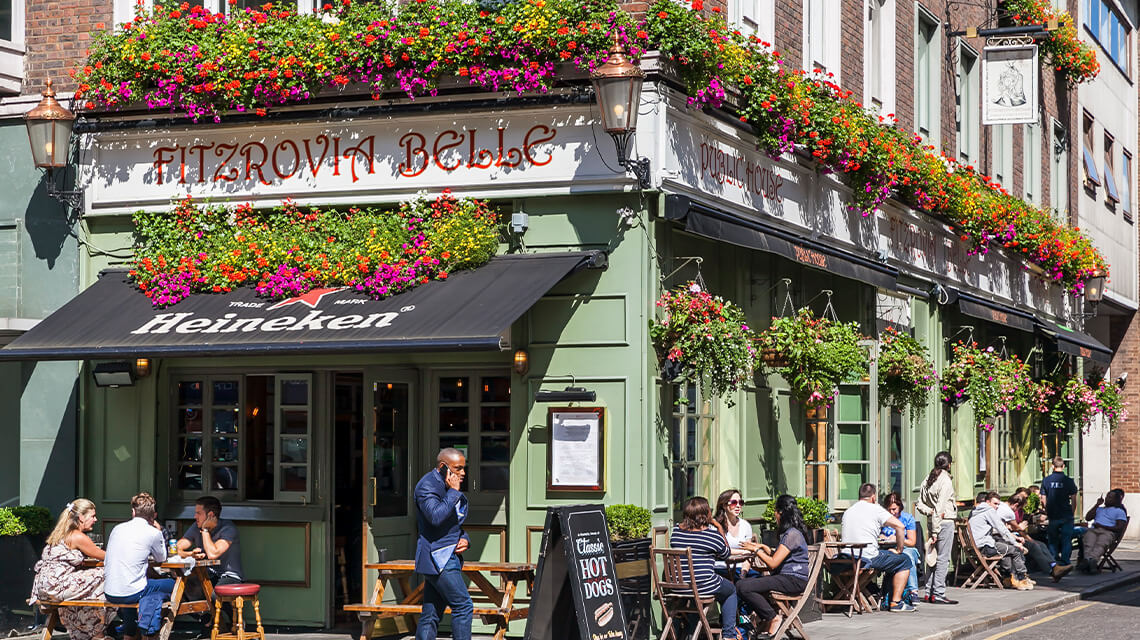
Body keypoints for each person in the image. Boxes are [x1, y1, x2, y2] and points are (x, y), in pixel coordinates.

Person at [28, 499, 108, 640]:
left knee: (87, 591)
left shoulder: (60, 534)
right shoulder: (77, 536)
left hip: (44, 586)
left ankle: (87, 631)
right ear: (81, 517)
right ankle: (94, 631)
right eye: (93, 516)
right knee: (107, 574)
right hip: (57, 586)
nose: (95, 520)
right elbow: (106, 557)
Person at [413, 448, 472, 640]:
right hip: (438, 557)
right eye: (458, 468)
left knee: (431, 614)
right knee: (463, 606)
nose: (462, 473)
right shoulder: (427, 487)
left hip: (447, 555)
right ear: (442, 467)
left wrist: (465, 539)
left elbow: (452, 524)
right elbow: (436, 517)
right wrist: (454, 492)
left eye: (464, 468)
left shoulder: (447, 485)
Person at [736, 495, 811, 639]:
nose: (775, 516)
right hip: (787, 578)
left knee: (743, 586)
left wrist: (756, 551)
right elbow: (780, 555)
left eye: (775, 512)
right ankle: (759, 622)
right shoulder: (791, 533)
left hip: (792, 580)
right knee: (743, 585)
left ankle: (773, 618)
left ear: (781, 513)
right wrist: (762, 547)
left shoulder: (792, 534)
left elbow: (773, 563)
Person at [104, 493, 174, 640]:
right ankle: (148, 630)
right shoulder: (154, 532)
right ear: (153, 516)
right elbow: (162, 558)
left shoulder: (117, 528)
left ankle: (130, 633)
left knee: (139, 589)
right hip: (132, 592)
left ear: (133, 512)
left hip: (110, 591)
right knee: (172, 585)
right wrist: (159, 532)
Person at [670, 497, 742, 639]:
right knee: (731, 590)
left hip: (678, 587)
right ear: (706, 514)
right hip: (703, 586)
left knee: (706, 588)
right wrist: (719, 527)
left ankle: (695, 630)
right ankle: (729, 635)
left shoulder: (676, 533)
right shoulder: (711, 535)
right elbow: (726, 554)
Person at [840, 483, 914, 612]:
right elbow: (900, 527)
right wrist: (899, 550)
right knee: (904, 560)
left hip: (846, 558)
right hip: (866, 558)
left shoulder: (848, 511)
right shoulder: (875, 509)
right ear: (873, 497)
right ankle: (896, 603)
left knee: (889, 557)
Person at [915, 451, 958, 605]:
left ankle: (929, 592)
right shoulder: (945, 480)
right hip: (943, 522)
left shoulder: (928, 478)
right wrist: (935, 530)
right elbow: (940, 508)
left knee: (932, 558)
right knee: (942, 559)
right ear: (949, 464)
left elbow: (919, 504)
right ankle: (939, 593)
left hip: (932, 521)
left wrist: (929, 513)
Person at [995, 493, 1070, 581]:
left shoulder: (1002, 506)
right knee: (1034, 546)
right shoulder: (1008, 511)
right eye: (1019, 508)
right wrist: (1024, 531)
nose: (1018, 511)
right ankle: (1051, 571)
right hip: (1003, 538)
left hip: (1006, 535)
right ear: (1016, 505)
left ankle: (1054, 566)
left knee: (1041, 544)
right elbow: (1018, 529)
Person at [968, 492, 1032, 590]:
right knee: (1016, 550)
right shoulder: (989, 511)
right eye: (995, 503)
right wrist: (1016, 543)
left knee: (1005, 547)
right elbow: (1002, 529)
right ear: (988, 502)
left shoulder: (976, 511)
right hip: (985, 547)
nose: (997, 507)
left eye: (998, 504)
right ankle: (1021, 579)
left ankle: (1007, 578)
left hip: (975, 547)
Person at [176, 496, 243, 586]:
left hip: (228, 576)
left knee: (214, 595)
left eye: (198, 513)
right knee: (184, 588)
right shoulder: (196, 526)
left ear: (210, 515)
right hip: (207, 574)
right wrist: (190, 554)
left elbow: (212, 554)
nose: (195, 516)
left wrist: (205, 530)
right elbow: (177, 548)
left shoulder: (228, 529)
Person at [880, 493, 920, 604]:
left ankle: (913, 591)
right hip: (888, 549)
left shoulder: (907, 518)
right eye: (889, 510)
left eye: (894, 509)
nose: (892, 512)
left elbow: (912, 542)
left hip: (906, 548)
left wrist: (898, 539)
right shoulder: (883, 520)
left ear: (900, 507)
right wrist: (881, 537)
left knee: (908, 556)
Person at [1041, 457, 1079, 565]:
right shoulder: (1069, 481)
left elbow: (1043, 499)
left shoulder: (1046, 480)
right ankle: (1065, 561)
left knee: (1052, 539)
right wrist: (1072, 511)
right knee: (1066, 539)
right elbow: (1074, 498)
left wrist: (1046, 510)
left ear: (1052, 466)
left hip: (1053, 514)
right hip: (1066, 513)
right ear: (1063, 466)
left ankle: (1054, 560)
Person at [713, 489, 758, 577]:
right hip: (720, 568)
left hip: (741, 569)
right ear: (724, 505)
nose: (738, 506)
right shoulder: (715, 525)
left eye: (740, 502)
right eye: (734, 503)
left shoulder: (745, 525)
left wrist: (743, 573)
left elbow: (748, 552)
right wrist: (741, 552)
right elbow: (717, 550)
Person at [1081, 488, 1128, 573]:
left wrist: (1103, 526)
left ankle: (1092, 561)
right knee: (1088, 543)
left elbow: (1119, 527)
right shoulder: (1099, 509)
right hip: (1094, 529)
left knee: (1101, 544)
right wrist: (1097, 505)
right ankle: (1088, 560)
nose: (1106, 499)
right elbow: (1088, 518)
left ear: (1115, 500)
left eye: (1110, 497)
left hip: (1108, 532)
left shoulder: (1119, 511)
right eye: (1107, 497)